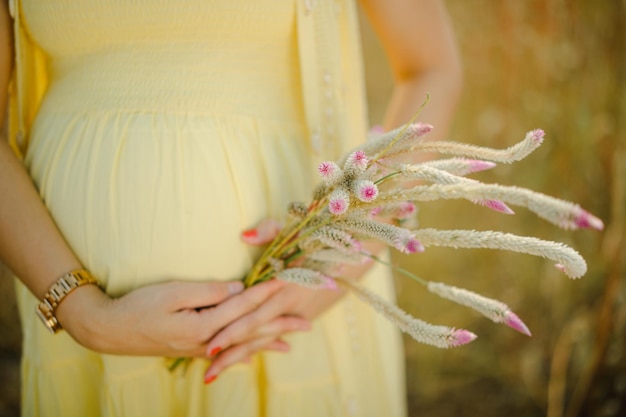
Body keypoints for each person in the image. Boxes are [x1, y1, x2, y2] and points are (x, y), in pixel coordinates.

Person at [0, 0, 461, 416]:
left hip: (290, 327)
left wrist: (342, 256)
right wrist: (85, 315)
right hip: (82, 349)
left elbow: (431, 67)